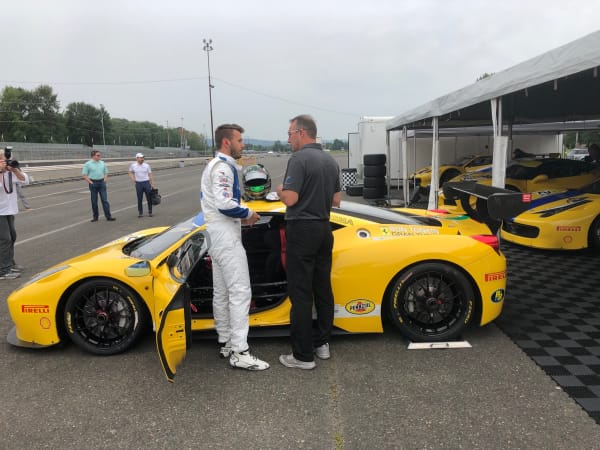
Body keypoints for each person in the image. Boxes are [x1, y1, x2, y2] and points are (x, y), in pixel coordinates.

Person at [200, 123, 269, 371]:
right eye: (240, 140)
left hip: (215, 235)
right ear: (227, 142)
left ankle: (226, 341)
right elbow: (224, 203)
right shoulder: (222, 168)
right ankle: (240, 351)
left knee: (222, 292)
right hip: (225, 236)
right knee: (240, 292)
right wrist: (249, 213)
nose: (243, 144)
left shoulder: (214, 165)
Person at [276, 114, 341, 370]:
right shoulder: (330, 160)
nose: (288, 139)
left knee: (301, 294)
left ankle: (303, 357)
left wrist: (280, 191)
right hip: (324, 228)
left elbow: (290, 199)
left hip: (302, 229)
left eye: (290, 134)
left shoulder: (299, 159)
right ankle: (322, 344)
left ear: (301, 133)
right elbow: (336, 200)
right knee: (322, 288)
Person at [0, 147, 30, 279]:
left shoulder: (10, 172)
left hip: (9, 210)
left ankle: (9, 263)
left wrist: (15, 170)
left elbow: (25, 180)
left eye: (7, 159)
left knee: (12, 236)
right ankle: (3, 270)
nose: (6, 161)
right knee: (4, 239)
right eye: (3, 159)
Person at [82, 150, 115, 222]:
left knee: (104, 200)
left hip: (101, 182)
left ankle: (108, 216)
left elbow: (106, 172)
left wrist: (105, 179)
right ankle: (95, 217)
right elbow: (84, 174)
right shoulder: (88, 164)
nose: (99, 156)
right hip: (93, 183)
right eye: (98, 155)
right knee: (94, 201)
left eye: (100, 155)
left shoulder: (102, 163)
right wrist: (90, 182)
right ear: (93, 156)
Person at [128, 152, 155, 217]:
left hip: (146, 182)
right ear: (137, 158)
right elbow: (130, 172)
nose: (142, 159)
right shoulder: (133, 165)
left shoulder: (147, 165)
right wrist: (133, 179)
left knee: (149, 198)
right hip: (138, 183)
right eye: (141, 158)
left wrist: (152, 183)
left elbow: (150, 174)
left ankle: (150, 212)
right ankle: (140, 212)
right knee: (139, 198)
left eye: (143, 158)